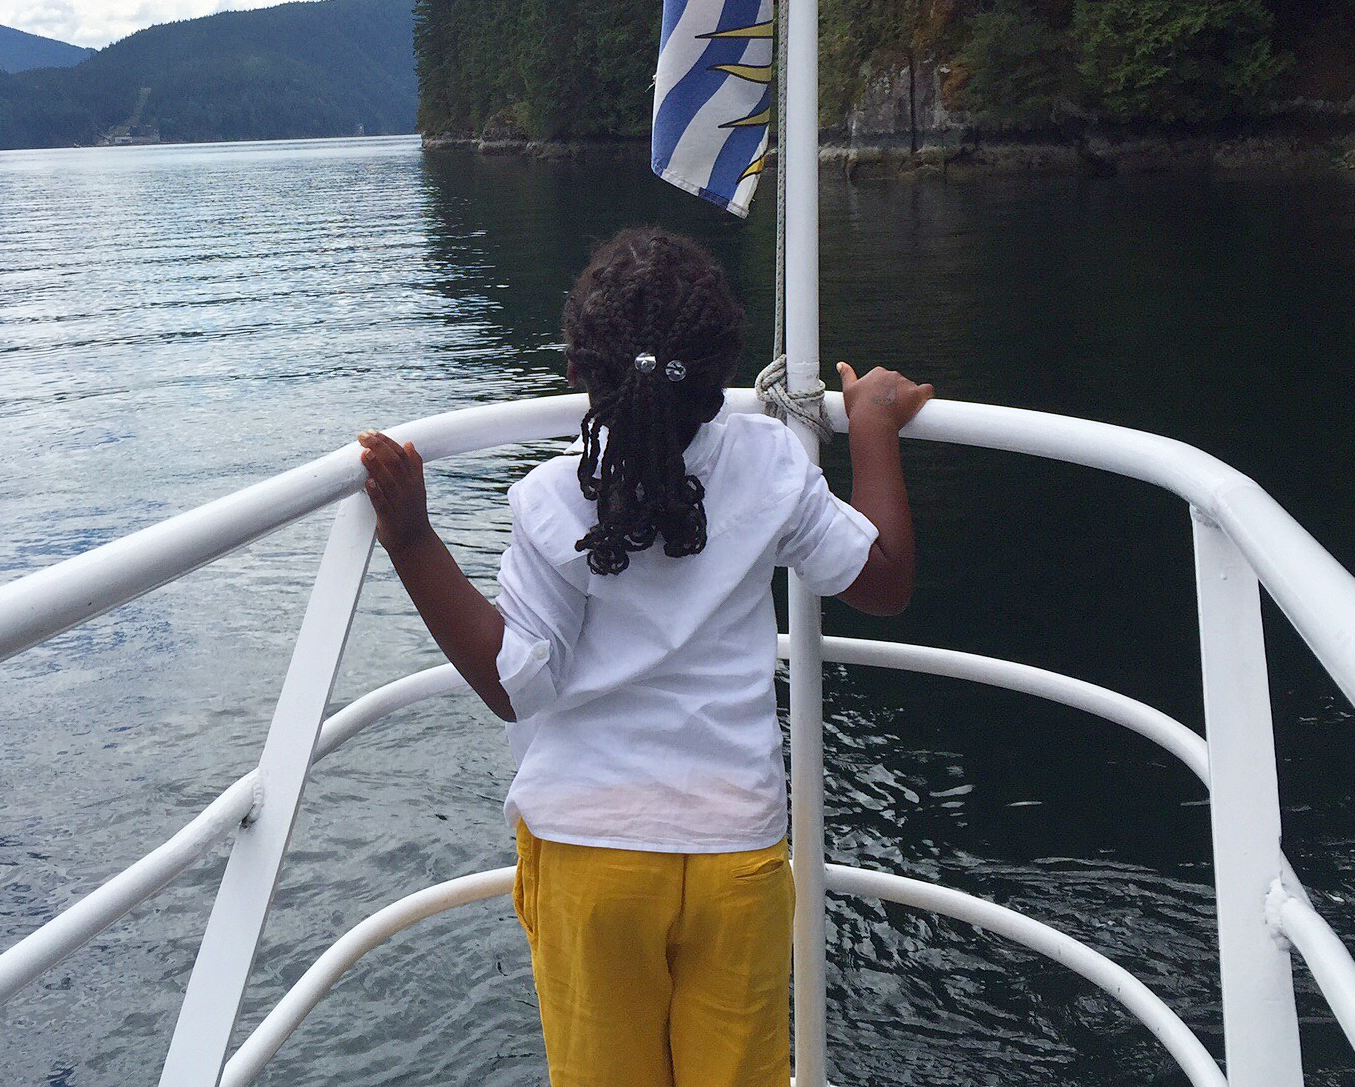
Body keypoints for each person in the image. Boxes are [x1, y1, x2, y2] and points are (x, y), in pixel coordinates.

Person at [358, 226, 932, 1087]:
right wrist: (874, 427)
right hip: (736, 853)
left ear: (579, 373)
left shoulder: (555, 503)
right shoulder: (772, 467)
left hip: (594, 862)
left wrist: (411, 539)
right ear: (718, 375)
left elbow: (518, 684)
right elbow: (882, 579)